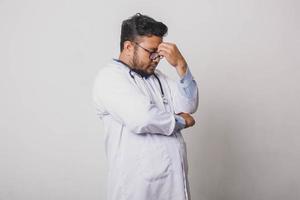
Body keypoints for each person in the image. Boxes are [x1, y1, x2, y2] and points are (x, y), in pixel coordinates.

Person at [93, 13, 199, 200]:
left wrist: (181, 65)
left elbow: (189, 105)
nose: (156, 58)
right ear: (128, 46)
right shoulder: (110, 77)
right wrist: (180, 121)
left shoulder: (158, 78)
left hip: (172, 184)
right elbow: (142, 118)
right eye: (151, 51)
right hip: (136, 187)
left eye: (159, 53)